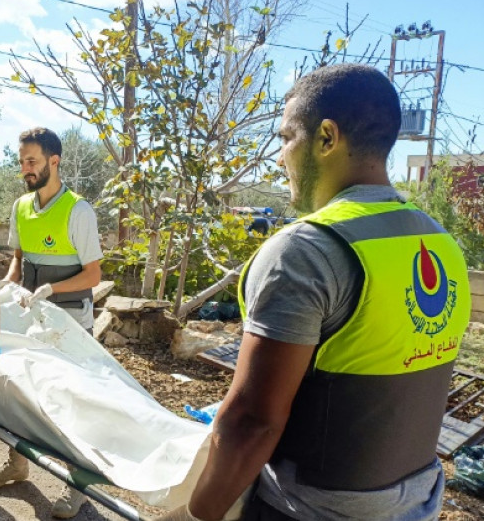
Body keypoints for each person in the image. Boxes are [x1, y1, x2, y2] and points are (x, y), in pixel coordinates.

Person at [159, 64, 471, 521]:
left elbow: (252, 422)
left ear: (327, 138)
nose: (280, 156)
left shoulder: (306, 250)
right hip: (413, 503)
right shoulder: (442, 244)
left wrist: (197, 514)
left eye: (287, 138)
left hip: (310, 509)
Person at [0, 127, 103, 519]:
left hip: (69, 323)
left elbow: (93, 275)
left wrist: (50, 289)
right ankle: (17, 463)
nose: (25, 169)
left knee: (70, 405)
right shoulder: (21, 207)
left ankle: (76, 487)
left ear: (54, 160)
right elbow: (18, 258)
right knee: (20, 394)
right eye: (21, 162)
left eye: (31, 161)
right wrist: (6, 283)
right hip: (29, 316)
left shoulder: (78, 210)